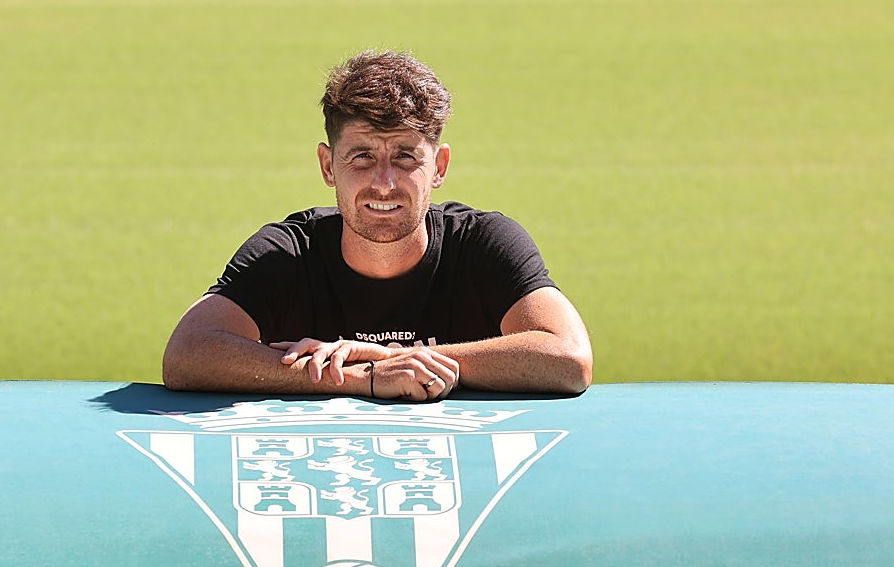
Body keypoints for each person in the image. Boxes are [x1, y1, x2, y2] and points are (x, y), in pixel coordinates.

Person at [162, 50, 592, 401]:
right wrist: (363, 376)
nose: (384, 184)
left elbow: (569, 357)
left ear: (439, 166)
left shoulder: (482, 243)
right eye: (362, 156)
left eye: (405, 157)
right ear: (328, 165)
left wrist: (398, 357)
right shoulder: (287, 253)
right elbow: (187, 354)